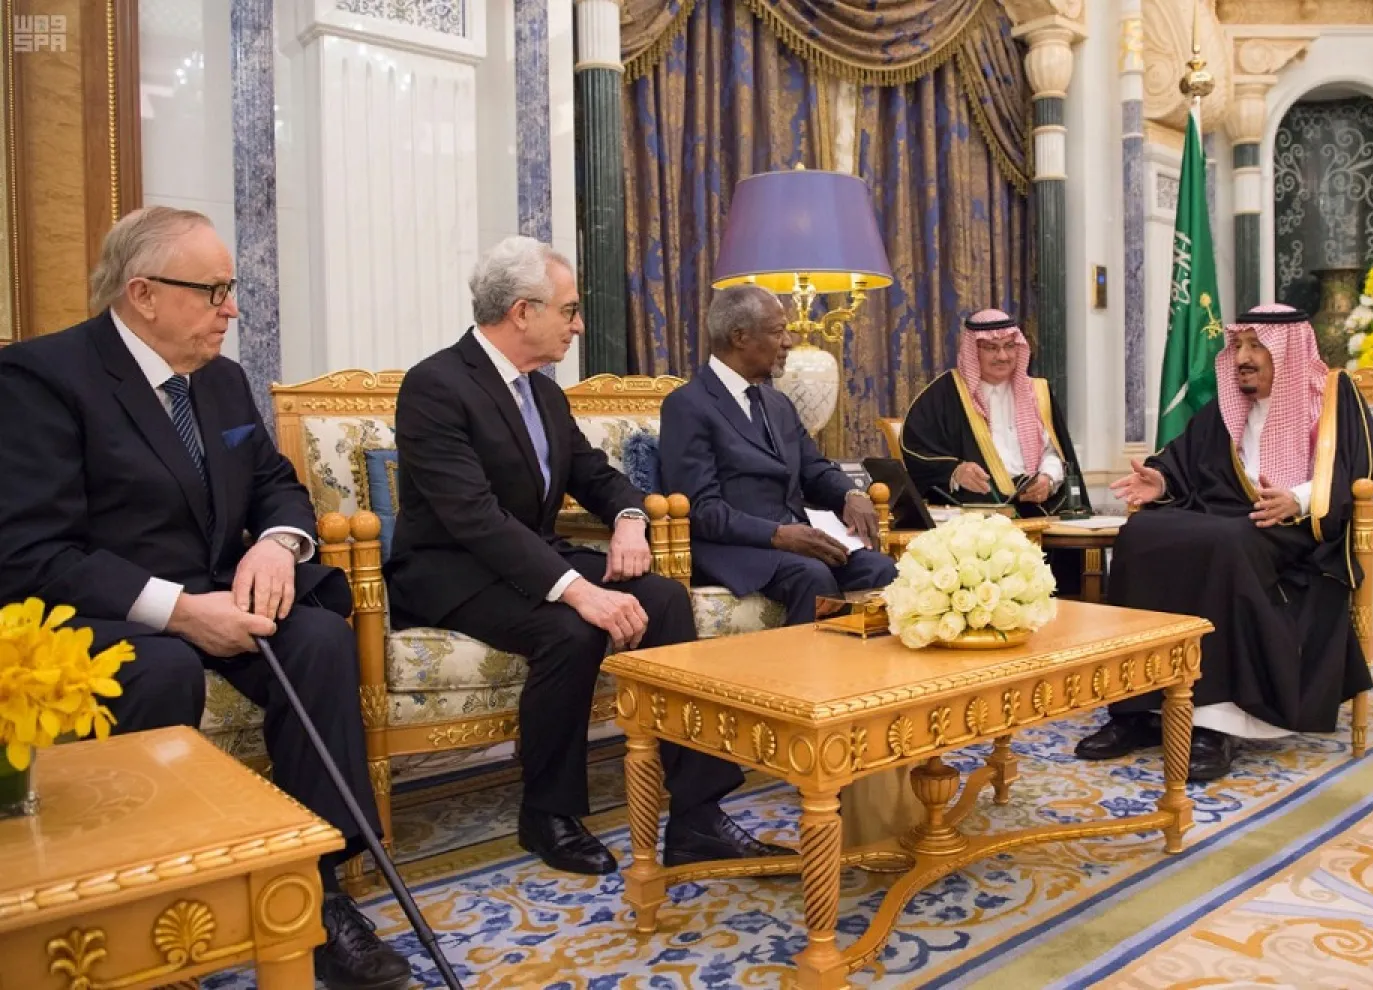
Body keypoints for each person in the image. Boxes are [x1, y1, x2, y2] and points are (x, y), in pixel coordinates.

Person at [0, 207, 410, 990]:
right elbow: (32, 551)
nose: (233, 308)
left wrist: (275, 545)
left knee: (319, 637)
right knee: (160, 670)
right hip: (113, 608)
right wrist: (181, 612)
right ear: (144, 293)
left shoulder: (219, 380)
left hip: (227, 586)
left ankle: (318, 892)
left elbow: (275, 487)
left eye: (232, 288)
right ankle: (155, 903)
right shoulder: (43, 378)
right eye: (215, 290)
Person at [385, 237, 791, 877]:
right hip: (450, 569)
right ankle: (547, 813)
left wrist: (629, 517)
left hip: (527, 559)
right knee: (571, 629)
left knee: (660, 595)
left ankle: (696, 813)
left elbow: (596, 475)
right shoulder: (436, 385)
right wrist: (577, 588)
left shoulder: (543, 392)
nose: (578, 324)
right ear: (523, 311)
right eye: (569, 310)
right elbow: (474, 517)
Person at [1077, 304, 1373, 781]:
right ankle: (1136, 710)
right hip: (1225, 523)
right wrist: (1160, 484)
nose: (1242, 358)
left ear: (1286, 352)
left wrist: (1299, 498)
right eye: (1238, 346)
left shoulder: (1331, 396)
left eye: (1256, 346)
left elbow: (1368, 470)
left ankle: (1214, 722)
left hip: (1295, 532)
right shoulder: (1227, 406)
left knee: (1224, 543)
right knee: (1140, 533)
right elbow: (1182, 461)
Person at [657, 285, 897, 625]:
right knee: (813, 577)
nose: (788, 342)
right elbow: (701, 509)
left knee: (881, 570)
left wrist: (850, 494)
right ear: (740, 337)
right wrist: (778, 535)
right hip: (733, 547)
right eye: (778, 331)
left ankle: (867, 676)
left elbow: (814, 469)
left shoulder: (777, 402)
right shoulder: (688, 405)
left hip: (793, 540)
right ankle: (799, 677)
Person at [900, 309, 1089, 516]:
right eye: (991, 348)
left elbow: (1054, 451)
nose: (1003, 356)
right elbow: (915, 449)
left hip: (1037, 506)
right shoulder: (944, 394)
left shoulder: (1037, 391)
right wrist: (955, 471)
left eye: (1009, 346)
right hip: (975, 512)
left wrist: (1048, 478)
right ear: (973, 351)